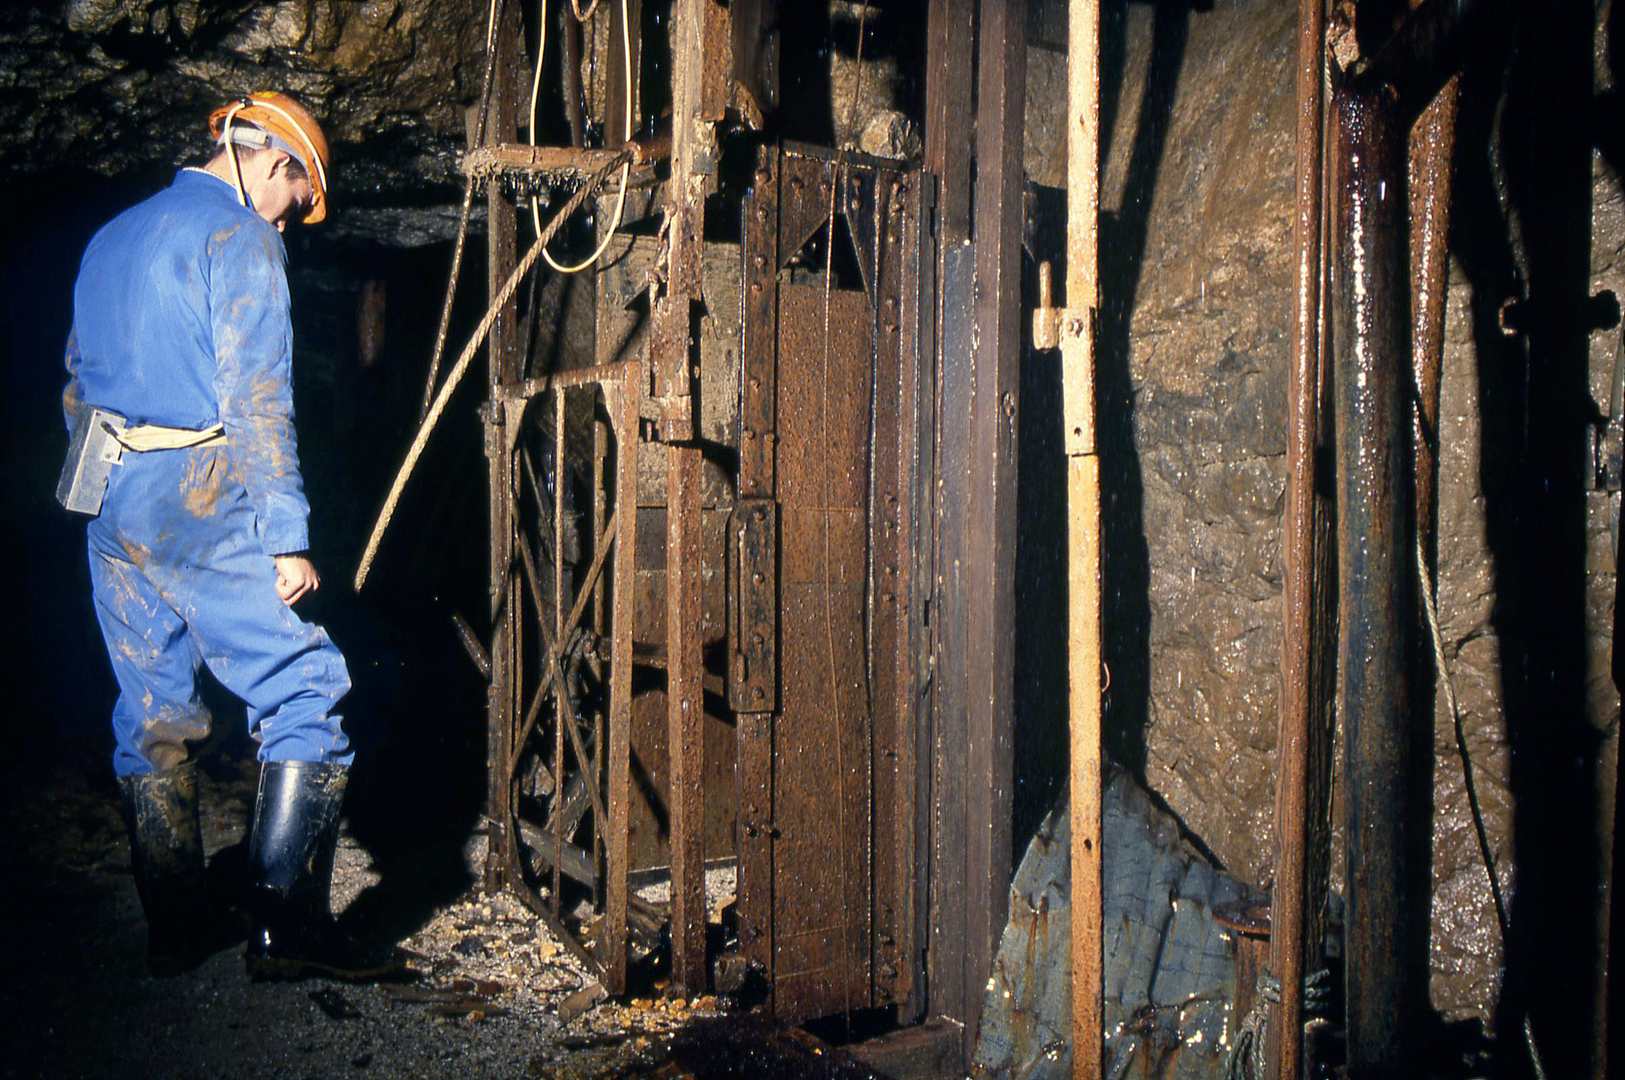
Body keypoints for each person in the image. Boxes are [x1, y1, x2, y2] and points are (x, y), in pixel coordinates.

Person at [62, 92, 395, 981]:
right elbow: (257, 400)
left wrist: (107, 495)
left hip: (110, 499)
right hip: (199, 491)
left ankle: (173, 926)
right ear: (275, 161)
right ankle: (288, 932)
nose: (291, 222)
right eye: (297, 198)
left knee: (151, 712)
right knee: (306, 686)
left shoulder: (112, 237)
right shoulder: (239, 240)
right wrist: (286, 536)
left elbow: (75, 385)